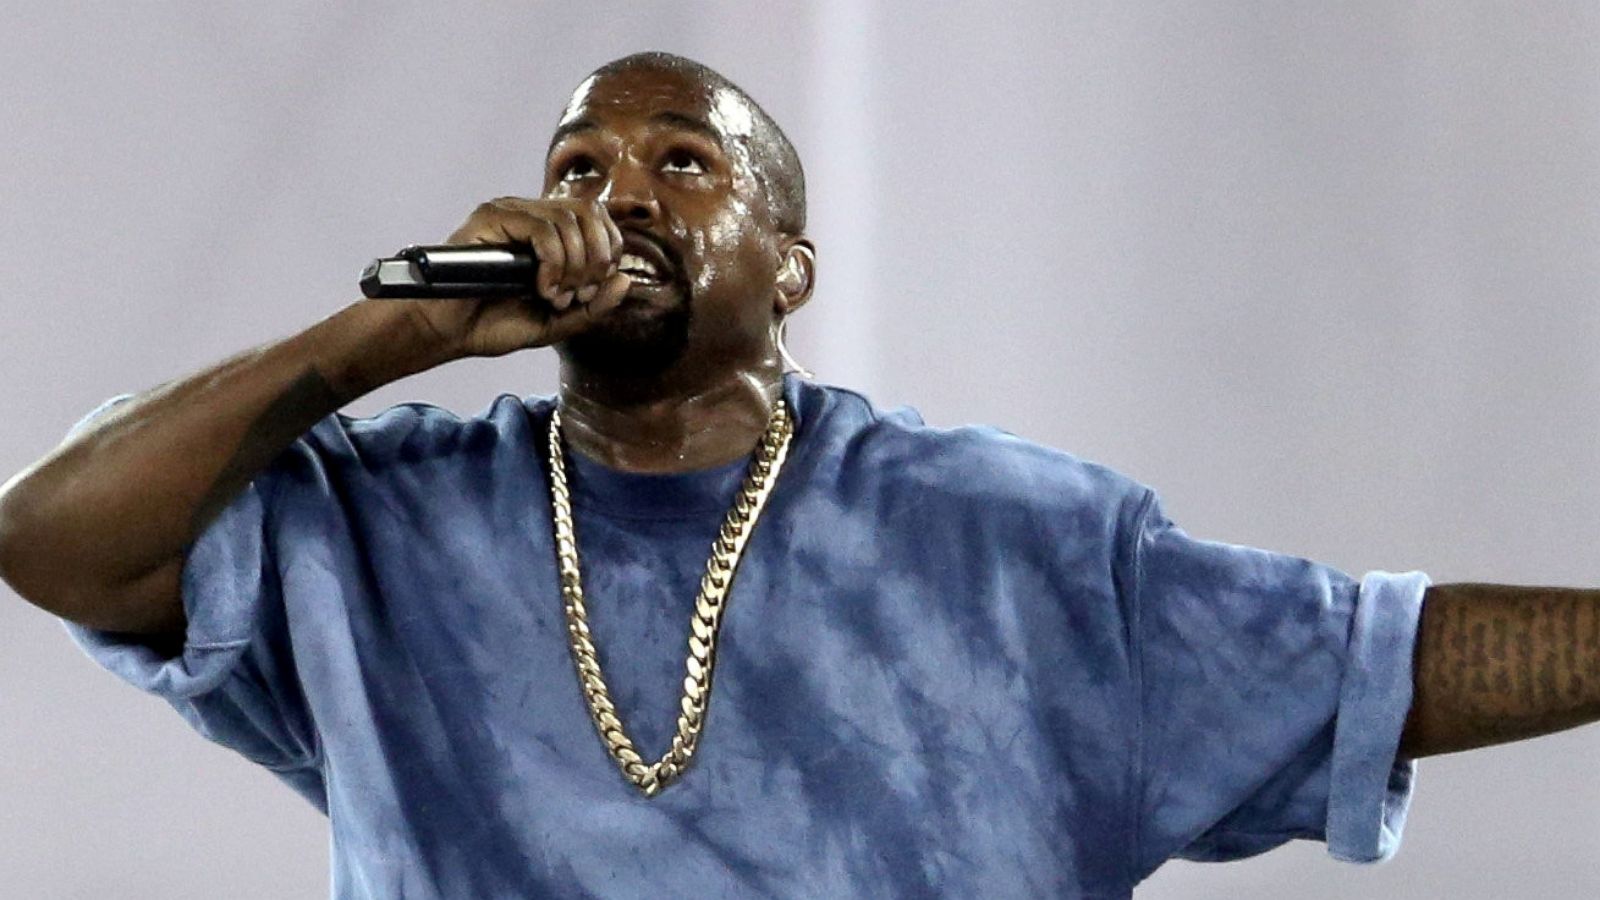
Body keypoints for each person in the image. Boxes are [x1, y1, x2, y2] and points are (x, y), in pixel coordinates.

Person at [0, 50, 1592, 899]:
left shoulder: (1005, 539)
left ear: (793, 267)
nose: (616, 195)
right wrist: (372, 346)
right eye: (579, 170)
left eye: (682, 164)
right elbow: (51, 541)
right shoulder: (371, 518)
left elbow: (1376, 655)